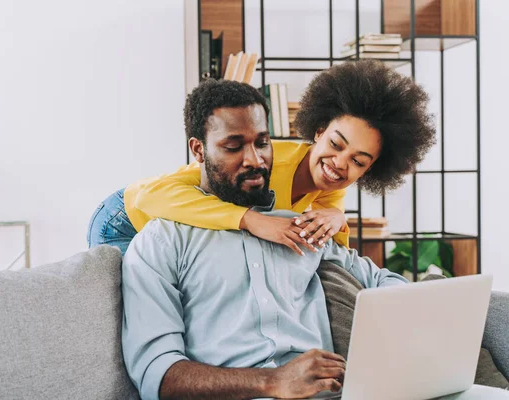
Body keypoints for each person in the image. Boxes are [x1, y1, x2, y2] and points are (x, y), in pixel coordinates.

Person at [120, 87, 509, 400]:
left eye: (262, 142)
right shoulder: (162, 240)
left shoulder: (301, 223)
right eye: (233, 145)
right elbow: (158, 375)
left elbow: (381, 282)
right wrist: (272, 381)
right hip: (125, 211)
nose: (255, 160)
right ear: (199, 150)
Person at [87, 60, 436, 256]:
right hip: (126, 217)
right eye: (336, 143)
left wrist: (335, 219)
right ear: (318, 130)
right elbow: (149, 195)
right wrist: (251, 220)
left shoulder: (328, 188)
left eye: (359, 161)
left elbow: (335, 255)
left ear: (373, 168)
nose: (340, 164)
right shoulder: (262, 161)